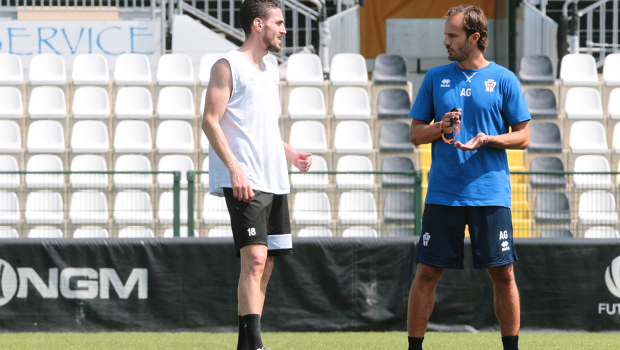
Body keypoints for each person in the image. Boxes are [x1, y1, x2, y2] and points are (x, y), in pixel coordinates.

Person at [406, 6, 530, 350]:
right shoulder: (434, 78)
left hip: (490, 194)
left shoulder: (504, 79)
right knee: (426, 273)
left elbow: (523, 137)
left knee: (503, 274)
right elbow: (415, 135)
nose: (446, 41)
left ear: (475, 38)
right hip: (443, 193)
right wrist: (439, 127)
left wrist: (488, 139)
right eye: (446, 34)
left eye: (453, 35)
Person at [201, 1, 312, 349]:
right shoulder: (227, 65)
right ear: (258, 25)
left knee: (266, 267)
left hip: (275, 178)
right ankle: (258, 346)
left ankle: (245, 346)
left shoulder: (271, 68)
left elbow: (261, 128)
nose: (284, 29)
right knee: (255, 259)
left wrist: (290, 153)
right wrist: (235, 170)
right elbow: (209, 120)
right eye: (279, 23)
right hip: (245, 180)